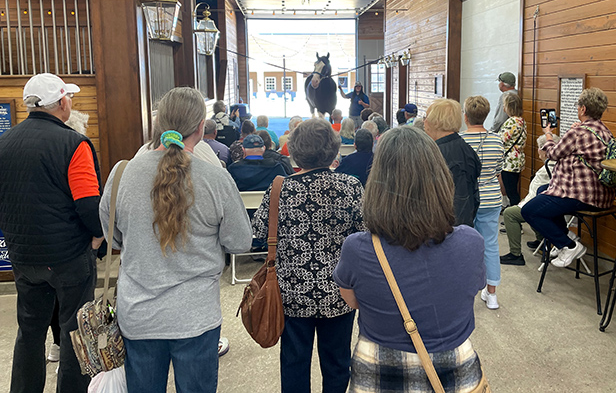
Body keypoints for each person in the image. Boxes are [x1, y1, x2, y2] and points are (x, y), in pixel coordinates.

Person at [99, 87, 252, 392]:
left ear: (157, 126)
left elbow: (112, 235)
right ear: (201, 128)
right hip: (195, 316)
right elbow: (241, 242)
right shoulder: (215, 178)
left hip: (138, 315)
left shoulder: (122, 174)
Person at [333, 126, 488, 391]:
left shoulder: (357, 248)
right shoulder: (470, 242)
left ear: (378, 184)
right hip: (455, 372)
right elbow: (472, 288)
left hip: (378, 370)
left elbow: (352, 299)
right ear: (441, 179)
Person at [0, 73, 102, 393]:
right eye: (68, 97)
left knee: (29, 332)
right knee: (73, 332)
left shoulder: (4, 143)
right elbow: (88, 203)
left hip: (23, 256)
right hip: (68, 257)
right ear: (60, 103)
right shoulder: (73, 144)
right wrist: (99, 236)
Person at [252, 118, 364, 392]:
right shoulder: (350, 187)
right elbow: (365, 236)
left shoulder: (279, 188)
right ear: (333, 149)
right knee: (338, 363)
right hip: (340, 292)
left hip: (291, 293)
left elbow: (258, 234)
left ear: (295, 150)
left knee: (293, 362)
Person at [521, 87, 616, 268]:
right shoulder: (605, 132)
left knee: (529, 210)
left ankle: (569, 244)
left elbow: (553, 153)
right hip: (601, 194)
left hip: (581, 196)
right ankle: (565, 236)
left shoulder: (577, 133)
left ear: (583, 109)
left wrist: (548, 134)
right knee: (543, 190)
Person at [460, 95, 504, 310]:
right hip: (492, 198)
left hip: (467, 199)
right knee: (490, 245)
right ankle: (492, 293)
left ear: (465, 116)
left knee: (463, 245)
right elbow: (498, 171)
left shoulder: (460, 141)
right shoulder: (497, 140)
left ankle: (464, 290)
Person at [500, 134, 560, 266]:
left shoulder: (549, 168)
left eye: (540, 147)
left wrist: (523, 204)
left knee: (510, 213)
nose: (538, 150)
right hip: (545, 205)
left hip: (543, 206)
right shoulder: (554, 165)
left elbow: (537, 194)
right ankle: (540, 240)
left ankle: (515, 254)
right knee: (529, 207)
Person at [425, 98, 481, 227]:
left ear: (437, 121)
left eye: (426, 117)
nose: (425, 122)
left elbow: (458, 199)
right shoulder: (465, 148)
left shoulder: (437, 154)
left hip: (445, 227)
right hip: (464, 220)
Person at [499, 92, 527, 207]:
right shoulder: (521, 121)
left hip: (509, 162)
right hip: (517, 160)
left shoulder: (512, 122)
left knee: (511, 191)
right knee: (513, 188)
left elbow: (502, 139)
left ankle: (514, 213)